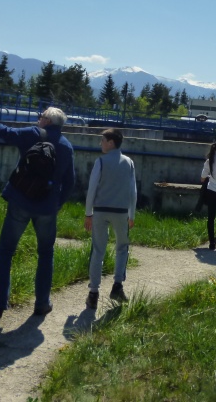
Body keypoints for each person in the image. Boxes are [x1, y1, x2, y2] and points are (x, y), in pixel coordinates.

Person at [0, 103, 75, 327]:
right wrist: (56, 204)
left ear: (47, 121)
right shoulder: (66, 146)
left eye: (41, 116)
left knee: (5, 252)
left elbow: (3, 132)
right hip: (47, 208)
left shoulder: (33, 134)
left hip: (20, 201)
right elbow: (70, 182)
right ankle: (42, 303)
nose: (39, 118)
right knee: (45, 253)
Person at [84, 128, 138, 309]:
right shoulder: (129, 163)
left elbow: (92, 188)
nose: (100, 143)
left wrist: (88, 213)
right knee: (122, 248)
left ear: (111, 143)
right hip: (121, 212)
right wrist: (132, 214)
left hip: (100, 211)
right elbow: (133, 191)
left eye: (103, 140)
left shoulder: (100, 161)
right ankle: (117, 286)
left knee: (98, 250)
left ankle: (93, 293)